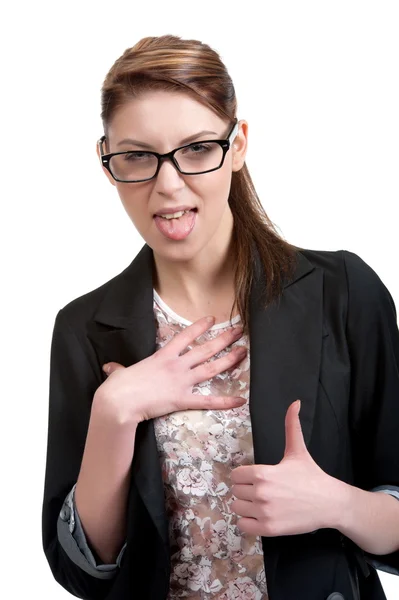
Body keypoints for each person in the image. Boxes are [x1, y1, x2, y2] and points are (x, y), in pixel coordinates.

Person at [41, 35, 399, 600]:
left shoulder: (343, 292)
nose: (168, 184)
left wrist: (336, 504)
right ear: (106, 162)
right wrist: (114, 413)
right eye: (136, 156)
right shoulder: (84, 327)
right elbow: (85, 570)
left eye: (197, 149)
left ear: (238, 146)